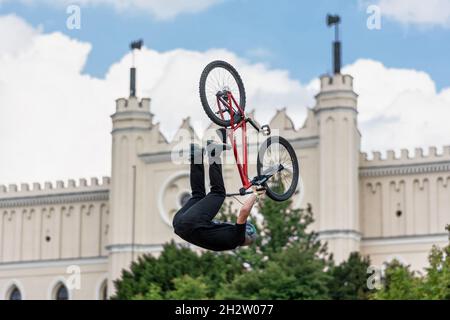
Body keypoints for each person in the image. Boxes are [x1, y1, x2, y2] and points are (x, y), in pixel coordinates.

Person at [172, 134, 264, 251]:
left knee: (218, 192)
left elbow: (244, 211)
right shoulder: (227, 242)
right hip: (179, 225)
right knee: (198, 195)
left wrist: (255, 194)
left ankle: (214, 153)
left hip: (191, 223)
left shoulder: (237, 237)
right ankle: (196, 157)